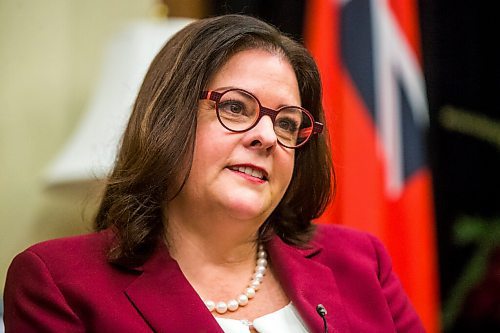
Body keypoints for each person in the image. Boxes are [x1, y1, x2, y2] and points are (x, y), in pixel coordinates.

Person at [3, 14, 425, 333]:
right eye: (236, 107)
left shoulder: (361, 261)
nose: (267, 137)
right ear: (169, 120)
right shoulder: (57, 282)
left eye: (287, 123)